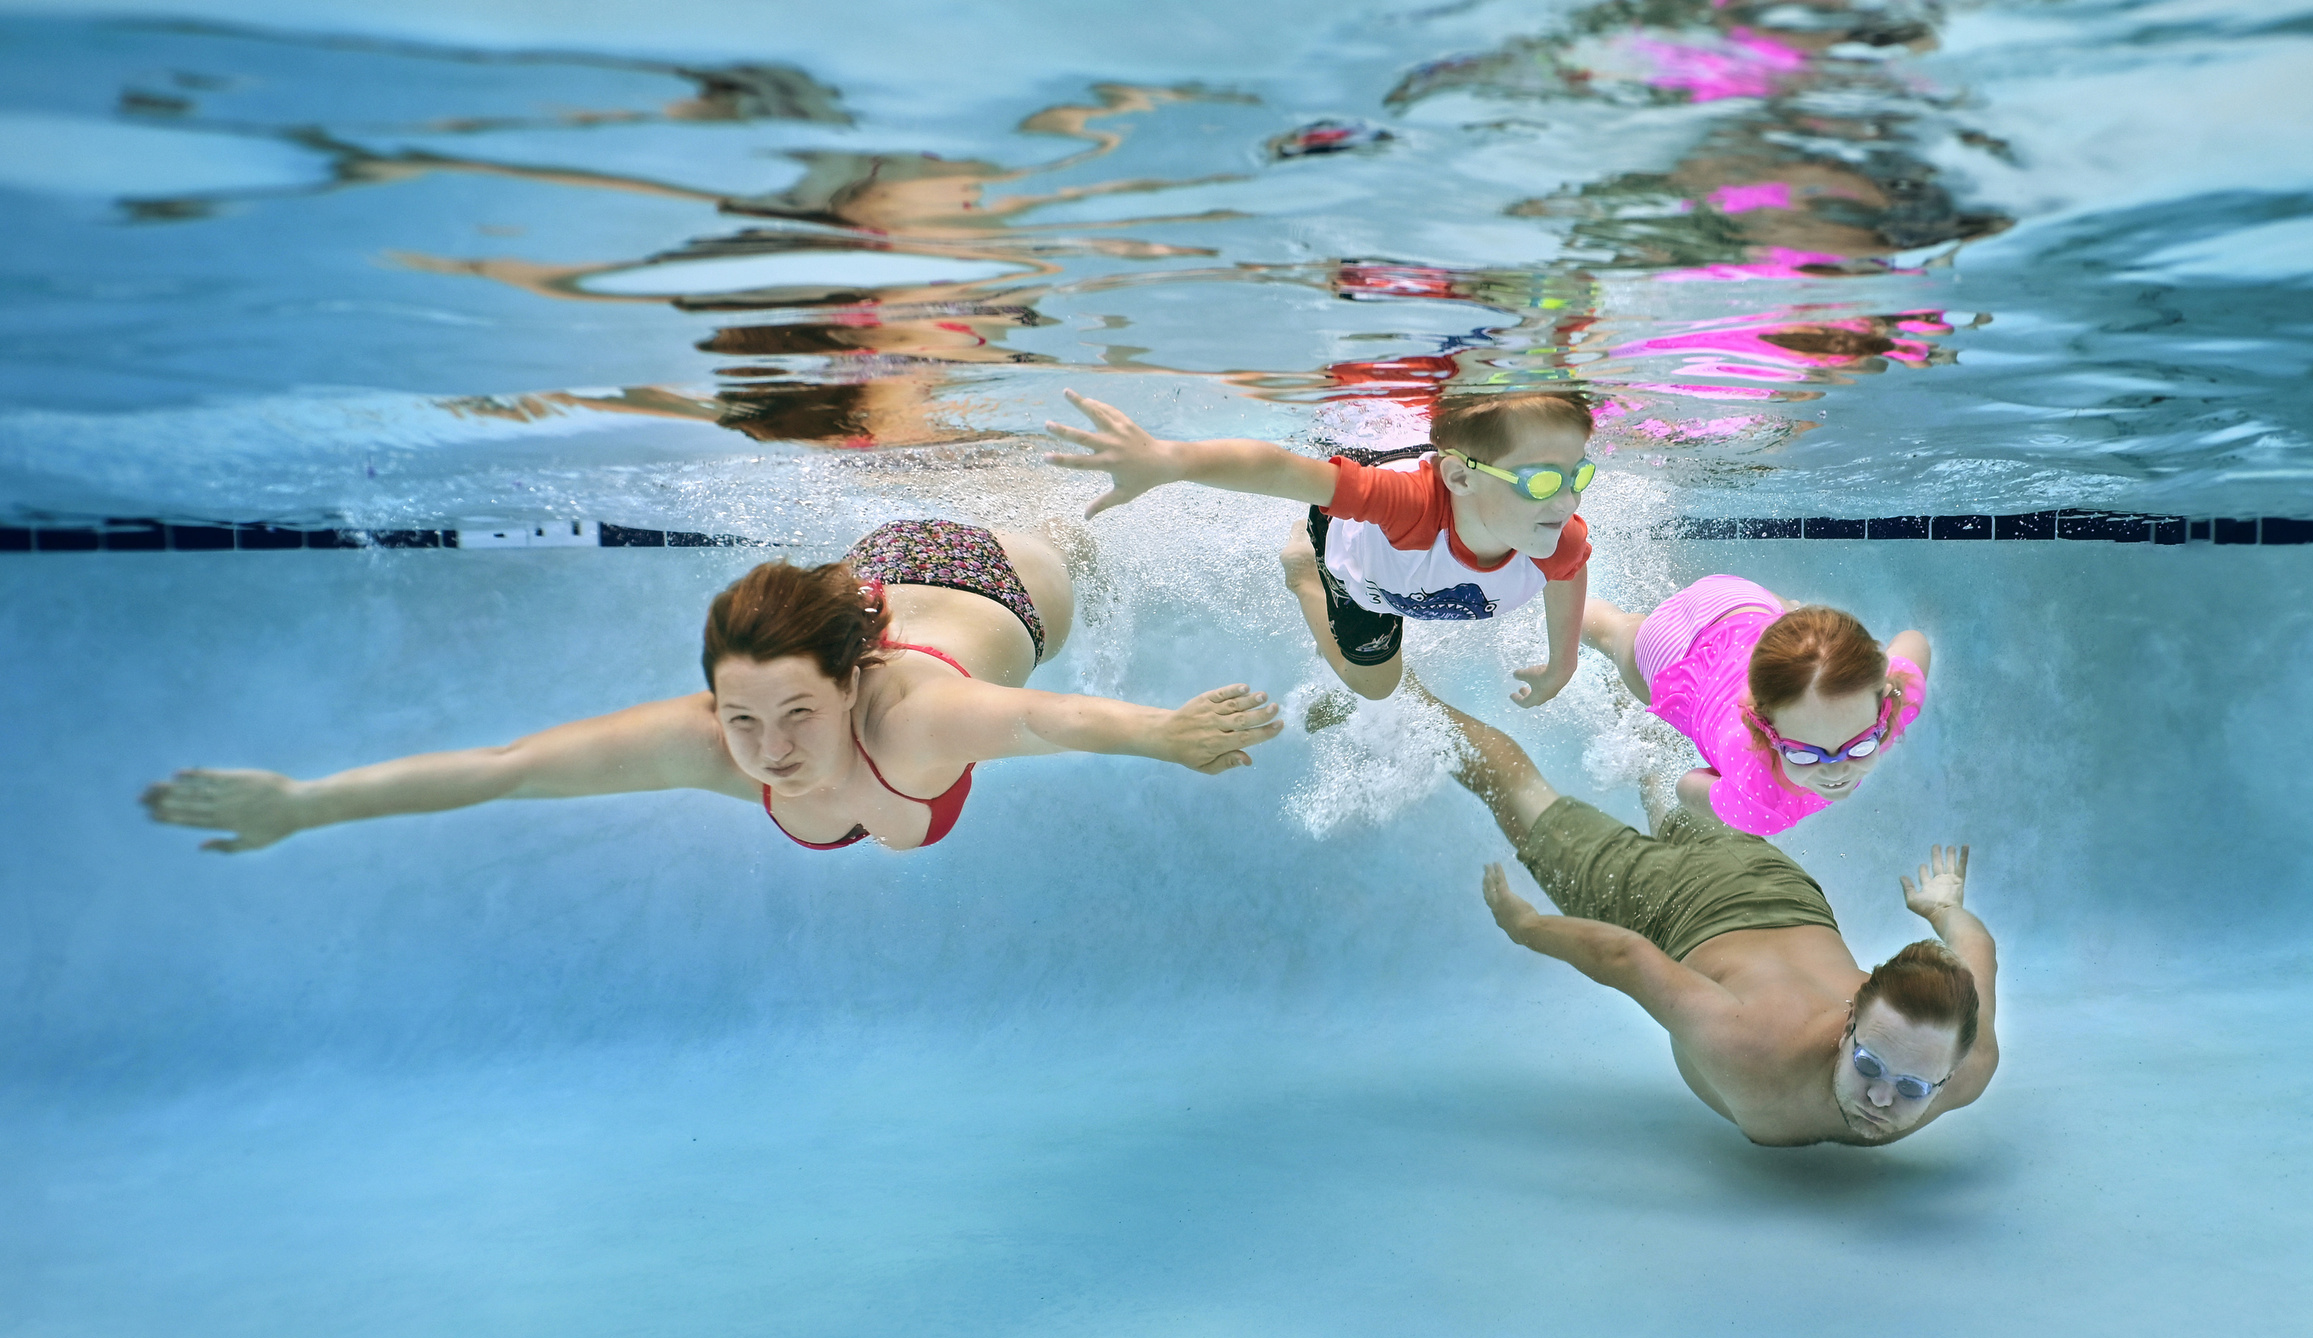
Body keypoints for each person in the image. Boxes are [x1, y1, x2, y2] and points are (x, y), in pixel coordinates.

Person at [141, 521, 1282, 854]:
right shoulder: (717, 739)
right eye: (742, 719)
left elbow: (1042, 712)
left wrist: (1164, 732)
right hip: (870, 568)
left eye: (795, 715)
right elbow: (507, 771)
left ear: (854, 683)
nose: (769, 751)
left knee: (1083, 553)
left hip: (998, 576)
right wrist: (304, 802)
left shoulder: (914, 713)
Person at [1427, 687, 1996, 1146]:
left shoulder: (1968, 1059)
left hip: (1773, 880)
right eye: (1868, 1064)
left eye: (1915, 1087)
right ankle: (1387, 701)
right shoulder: (1749, 1045)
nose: (1881, 1099)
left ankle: (1636, 701)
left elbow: (1977, 956)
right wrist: (1526, 928)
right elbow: (1628, 956)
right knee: (1517, 790)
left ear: (1949, 1071)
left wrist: (1947, 912)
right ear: (1849, 1024)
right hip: (1672, 903)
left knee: (1669, 782)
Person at [1046, 387, 1594, 706]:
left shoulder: (1555, 541)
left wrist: (1562, 663)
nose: (1567, 503)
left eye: (1578, 476)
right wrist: (1173, 461)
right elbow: (1284, 469)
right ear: (1461, 479)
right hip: (1354, 560)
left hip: (1423, 541)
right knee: (1377, 686)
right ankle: (1301, 571)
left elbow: (1570, 575)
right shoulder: (1405, 505)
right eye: (1541, 482)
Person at [1581, 577, 1929, 835]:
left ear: (1883, 704)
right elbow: (1686, 787)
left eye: (1860, 743)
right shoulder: (1761, 803)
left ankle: (1795, 617)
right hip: (1672, 653)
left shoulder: (1895, 699)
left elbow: (1914, 643)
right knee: (1615, 633)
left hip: (1742, 603)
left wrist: (1865, 667)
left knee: (1800, 639)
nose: (1837, 770)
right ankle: (1559, 601)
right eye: (1805, 754)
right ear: (1764, 728)